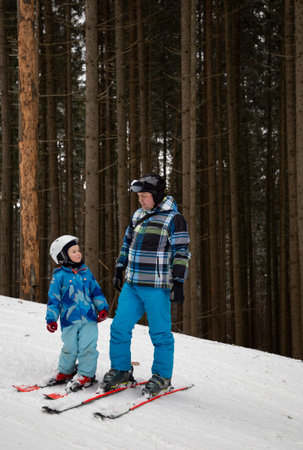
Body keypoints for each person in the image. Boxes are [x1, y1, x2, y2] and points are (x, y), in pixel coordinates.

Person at [101, 174, 190, 397]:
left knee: (159, 333)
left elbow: (181, 252)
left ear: (157, 196)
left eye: (144, 196)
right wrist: (119, 268)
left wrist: (178, 282)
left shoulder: (174, 219)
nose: (141, 200)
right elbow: (127, 243)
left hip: (156, 287)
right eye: (139, 196)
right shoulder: (138, 215)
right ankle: (121, 370)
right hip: (132, 285)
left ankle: (162, 377)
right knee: (119, 328)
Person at [45, 235, 109, 392]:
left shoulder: (86, 272)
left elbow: (96, 292)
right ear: (62, 256)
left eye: (78, 250)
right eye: (73, 251)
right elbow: (54, 299)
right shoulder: (59, 276)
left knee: (88, 347)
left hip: (89, 319)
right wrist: (51, 318)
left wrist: (102, 308)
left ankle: (86, 374)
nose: (78, 253)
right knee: (69, 347)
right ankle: (65, 371)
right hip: (69, 320)